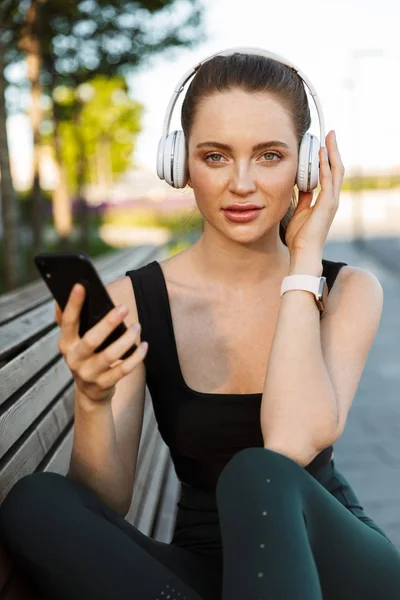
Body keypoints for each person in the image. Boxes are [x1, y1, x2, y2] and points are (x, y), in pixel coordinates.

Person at [0, 47, 400, 600]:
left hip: (333, 568)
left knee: (256, 472)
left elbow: (287, 441)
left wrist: (304, 261)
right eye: (215, 156)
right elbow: (106, 500)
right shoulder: (134, 302)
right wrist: (92, 397)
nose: (241, 183)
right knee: (36, 502)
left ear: (307, 165)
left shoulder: (347, 291)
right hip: (199, 573)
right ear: (179, 163)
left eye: (269, 155)